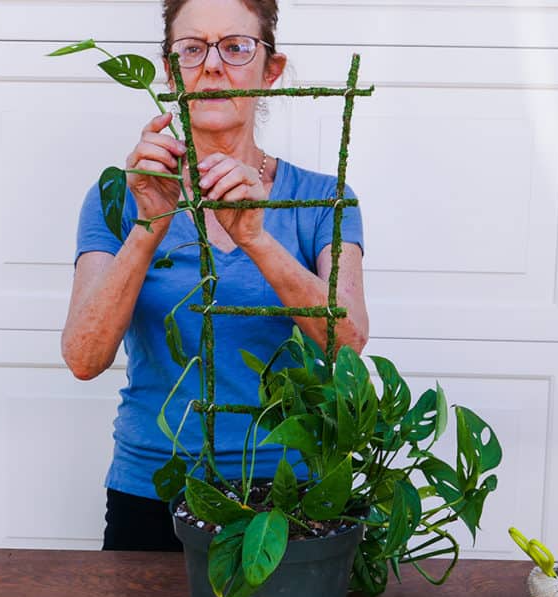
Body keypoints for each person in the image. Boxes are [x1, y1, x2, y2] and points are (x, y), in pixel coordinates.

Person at [61, 0, 370, 551]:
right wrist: (149, 223)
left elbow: (346, 343)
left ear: (270, 70)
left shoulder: (323, 199)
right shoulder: (119, 196)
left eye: (236, 47)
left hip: (289, 495)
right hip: (151, 489)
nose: (212, 66)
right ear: (168, 66)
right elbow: (85, 358)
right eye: (192, 48)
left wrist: (255, 236)